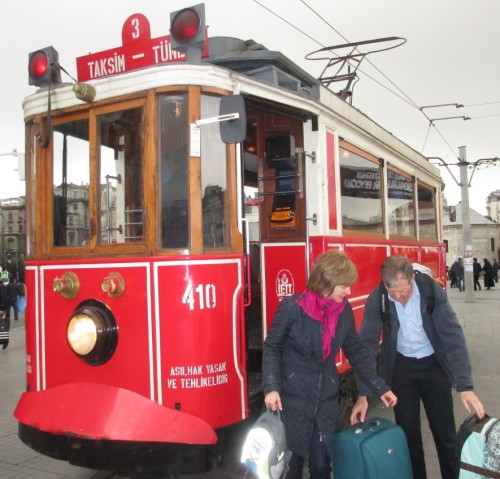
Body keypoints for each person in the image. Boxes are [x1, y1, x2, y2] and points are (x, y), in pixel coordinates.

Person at [262, 250, 397, 479]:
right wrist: (272, 387)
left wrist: (379, 386)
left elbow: (356, 351)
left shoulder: (342, 310)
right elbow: (272, 347)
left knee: (322, 466)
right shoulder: (292, 308)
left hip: (324, 401)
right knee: (289, 469)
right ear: (327, 282)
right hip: (290, 401)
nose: (349, 291)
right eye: (344, 285)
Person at [351, 255, 484, 479]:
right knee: (409, 436)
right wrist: (363, 393)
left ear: (412, 279)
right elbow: (367, 345)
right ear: (384, 284)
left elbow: (452, 338)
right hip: (402, 369)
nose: (399, 298)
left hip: (434, 366)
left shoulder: (431, 292)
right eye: (393, 293)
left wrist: (464, 385)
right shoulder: (379, 298)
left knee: (445, 435)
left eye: (403, 292)